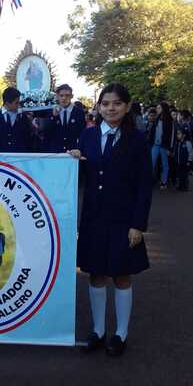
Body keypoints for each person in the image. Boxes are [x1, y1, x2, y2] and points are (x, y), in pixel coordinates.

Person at [69, 83, 152, 357]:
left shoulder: (137, 140)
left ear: (126, 106)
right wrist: (73, 163)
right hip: (93, 217)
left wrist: (138, 224)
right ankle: (99, 330)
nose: (110, 108)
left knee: (121, 274)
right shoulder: (88, 136)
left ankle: (121, 333)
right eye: (105, 104)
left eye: (116, 103)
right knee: (95, 273)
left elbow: (143, 185)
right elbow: (83, 178)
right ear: (99, 107)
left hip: (123, 218)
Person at [43, 84, 87, 152]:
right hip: (55, 153)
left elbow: (82, 134)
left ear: (72, 96)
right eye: (61, 95)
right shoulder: (50, 111)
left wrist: (80, 149)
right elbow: (46, 132)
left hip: (73, 152)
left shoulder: (79, 112)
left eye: (67, 95)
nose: (64, 98)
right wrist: (53, 117)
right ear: (57, 96)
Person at [0, 87, 34, 153]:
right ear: (7, 103)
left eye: (19, 102)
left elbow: (28, 140)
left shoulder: (23, 117)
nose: (19, 105)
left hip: (21, 158)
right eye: (16, 103)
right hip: (2, 159)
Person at [151, 102, 174, 189]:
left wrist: (169, 148)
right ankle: (149, 181)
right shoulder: (157, 119)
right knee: (151, 163)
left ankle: (164, 182)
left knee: (165, 164)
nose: (157, 109)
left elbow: (171, 135)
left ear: (163, 108)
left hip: (164, 146)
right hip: (156, 145)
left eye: (159, 108)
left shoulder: (169, 120)